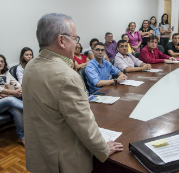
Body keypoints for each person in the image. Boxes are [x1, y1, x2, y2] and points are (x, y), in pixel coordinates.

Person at [23, 13, 123, 173]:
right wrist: (103, 148)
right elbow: (85, 125)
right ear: (61, 40)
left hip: (40, 153)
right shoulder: (67, 76)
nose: (77, 43)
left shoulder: (31, 65)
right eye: (75, 38)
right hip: (64, 160)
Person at [0, 54, 24, 146]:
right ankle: (33, 109)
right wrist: (13, 92)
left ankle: (22, 138)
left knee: (17, 111)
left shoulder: (6, 73)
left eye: (2, 61)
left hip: (5, 103)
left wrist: (19, 89)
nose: (0, 63)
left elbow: (16, 82)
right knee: (10, 99)